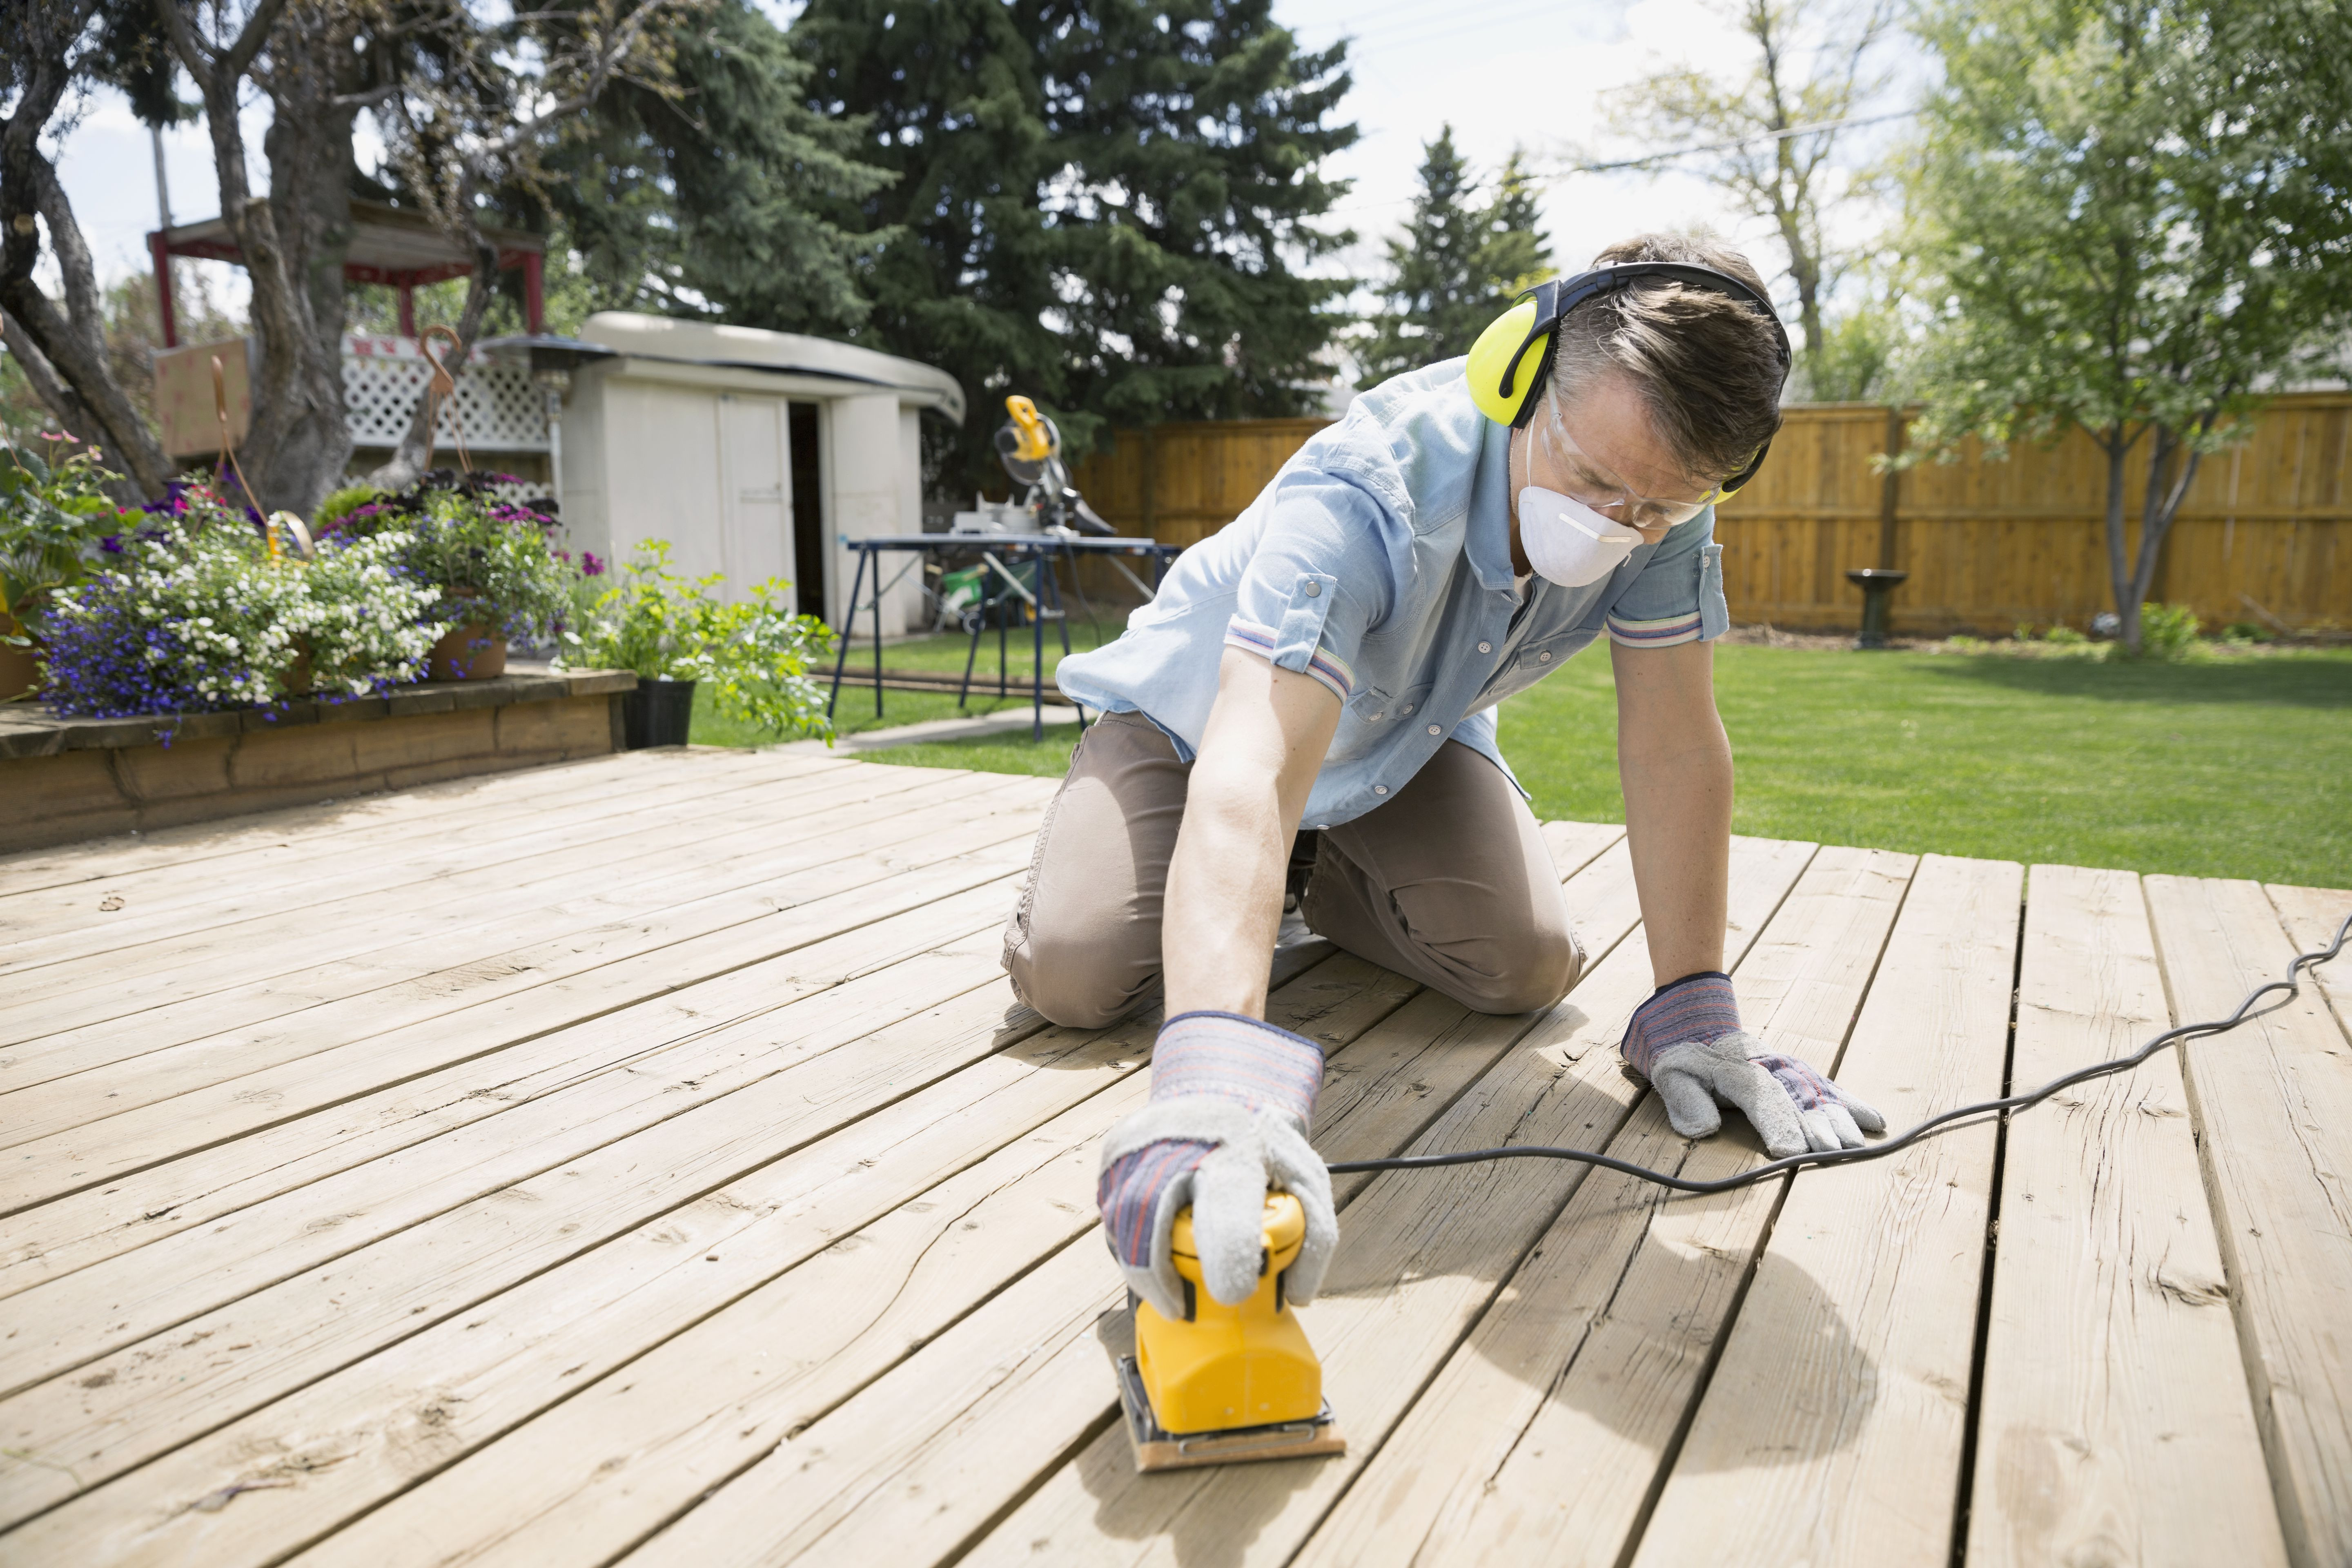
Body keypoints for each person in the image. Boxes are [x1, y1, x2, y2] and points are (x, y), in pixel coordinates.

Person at [1003, 233, 1884, 1325]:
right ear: (1515, 375)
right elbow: (1254, 764)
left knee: (1526, 963)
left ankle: (1299, 877)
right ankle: (1211, 866)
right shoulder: (1362, 491)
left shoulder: (1667, 511)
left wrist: (1694, 1005)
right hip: (1195, 736)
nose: (1623, 524)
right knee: (1076, 974)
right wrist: (1214, 1087)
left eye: (1659, 506)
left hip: (1400, 748)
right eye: (1597, 479)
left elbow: (1674, 743)